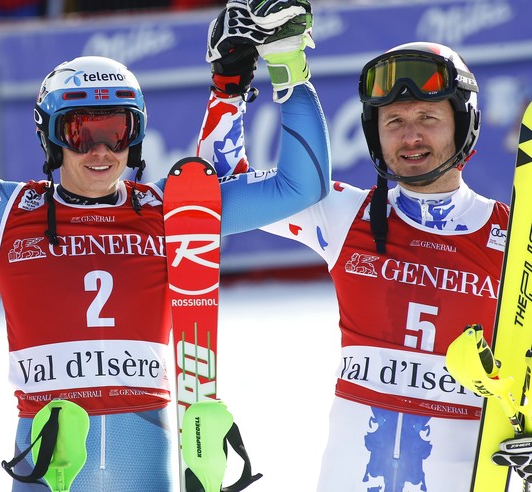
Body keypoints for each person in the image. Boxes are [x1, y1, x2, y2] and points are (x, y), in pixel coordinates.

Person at [0, 0, 326, 489]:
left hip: (143, 457)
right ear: (50, 137)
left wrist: (287, 64)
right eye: (80, 132)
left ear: (138, 134)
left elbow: (301, 187)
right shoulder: (4, 210)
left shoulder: (171, 209)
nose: (101, 150)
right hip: (48, 459)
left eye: (117, 130)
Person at [198, 32, 520, 489]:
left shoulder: (514, 239)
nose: (410, 136)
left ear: (464, 123)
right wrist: (228, 89)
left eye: (428, 117)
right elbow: (211, 199)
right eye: (393, 121)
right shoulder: (343, 213)